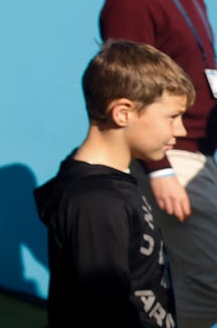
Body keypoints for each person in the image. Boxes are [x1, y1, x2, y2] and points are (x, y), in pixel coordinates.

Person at [99, 0, 217, 328]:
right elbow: (126, 87)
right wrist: (160, 169)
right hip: (172, 159)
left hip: (195, 157)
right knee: (211, 281)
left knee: (183, 275)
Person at [33, 39, 192, 327]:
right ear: (123, 113)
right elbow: (101, 309)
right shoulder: (96, 201)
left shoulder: (115, 183)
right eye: (172, 117)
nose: (180, 130)